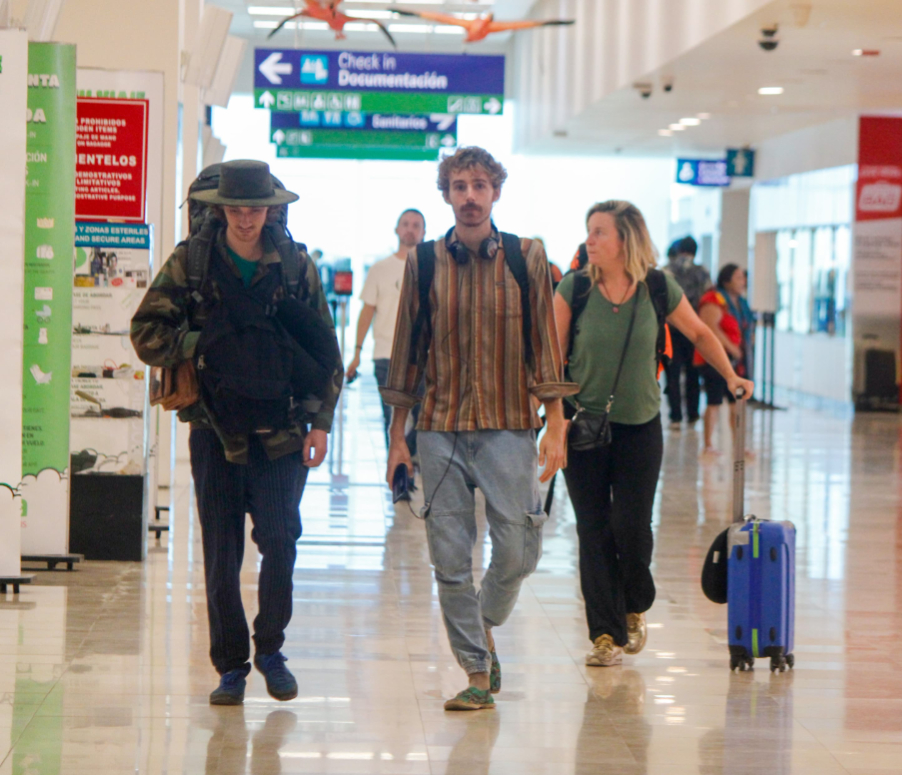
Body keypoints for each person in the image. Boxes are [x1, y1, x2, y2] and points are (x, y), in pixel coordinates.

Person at [131, 160, 343, 706]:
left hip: (282, 433)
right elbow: (145, 330)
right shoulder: (192, 262)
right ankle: (231, 666)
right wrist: (199, 343)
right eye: (236, 209)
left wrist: (321, 423)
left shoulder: (295, 265)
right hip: (214, 430)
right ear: (221, 208)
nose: (246, 220)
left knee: (280, 540)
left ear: (271, 209)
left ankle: (271, 649)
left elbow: (326, 355)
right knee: (221, 553)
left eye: (255, 209)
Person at [382, 146, 573, 712]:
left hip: (510, 425)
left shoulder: (526, 257)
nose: (469, 195)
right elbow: (406, 354)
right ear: (446, 193)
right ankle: (475, 668)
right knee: (449, 558)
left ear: (495, 193)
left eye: (480, 185)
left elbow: (545, 344)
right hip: (439, 428)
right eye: (459, 185)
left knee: (518, 547)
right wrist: (399, 438)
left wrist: (555, 423)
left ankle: (481, 624)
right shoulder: (423, 263)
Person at [555, 201, 753, 667]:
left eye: (600, 232)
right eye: (589, 231)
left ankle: (632, 603)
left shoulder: (657, 287)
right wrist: (548, 419)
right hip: (582, 424)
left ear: (625, 239)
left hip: (639, 426)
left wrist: (730, 376)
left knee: (630, 525)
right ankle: (605, 634)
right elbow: (549, 355)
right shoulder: (574, 288)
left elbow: (702, 334)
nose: (590, 240)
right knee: (593, 528)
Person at [347, 208, 426, 452]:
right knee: (390, 418)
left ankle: (409, 459)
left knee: (422, 416)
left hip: (422, 356)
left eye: (416, 225)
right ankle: (397, 470)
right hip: (386, 355)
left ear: (423, 233)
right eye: (405, 224)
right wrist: (357, 352)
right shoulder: (380, 269)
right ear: (396, 229)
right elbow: (367, 312)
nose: (410, 229)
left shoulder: (431, 269)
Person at [696, 263, 754, 456]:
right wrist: (732, 349)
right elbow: (710, 328)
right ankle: (708, 444)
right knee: (714, 402)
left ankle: (739, 444)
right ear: (726, 280)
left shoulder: (741, 302)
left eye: (743, 277)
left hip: (738, 359)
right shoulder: (714, 299)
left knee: (736, 402)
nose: (743, 281)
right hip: (716, 359)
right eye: (738, 277)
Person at [663, 236, 712, 428]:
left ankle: (675, 416)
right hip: (694, 328)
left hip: (672, 329)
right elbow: (708, 296)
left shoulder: (667, 270)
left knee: (672, 373)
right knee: (693, 373)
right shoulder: (702, 272)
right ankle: (692, 414)